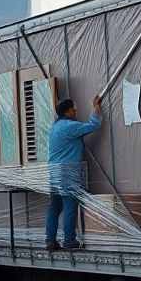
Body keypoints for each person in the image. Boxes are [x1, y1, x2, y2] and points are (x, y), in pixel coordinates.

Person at [46, 95, 102, 250]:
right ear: (67, 111)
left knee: (55, 208)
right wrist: (96, 106)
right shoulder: (69, 126)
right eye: (73, 109)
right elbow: (93, 125)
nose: (76, 111)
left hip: (54, 173)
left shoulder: (54, 127)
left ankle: (50, 240)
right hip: (67, 173)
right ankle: (69, 241)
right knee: (70, 206)